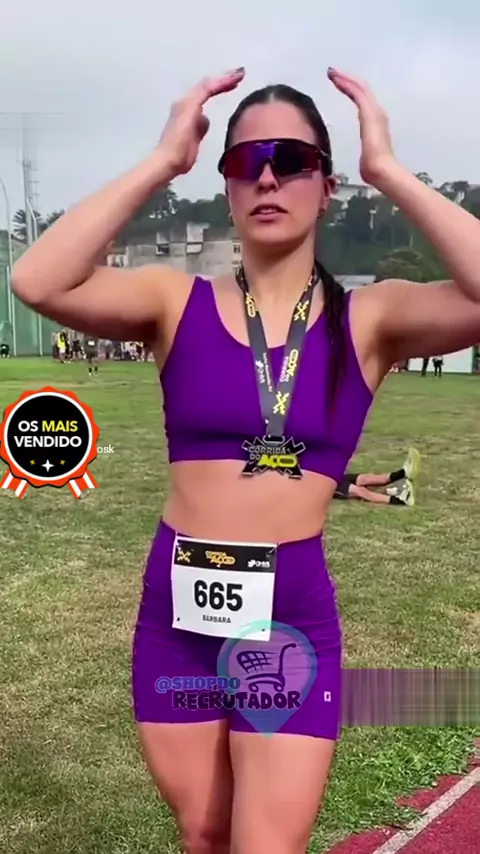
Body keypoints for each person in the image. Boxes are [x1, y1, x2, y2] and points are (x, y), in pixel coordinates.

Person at [10, 66, 480, 854]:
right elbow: (36, 278)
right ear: (226, 185)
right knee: (205, 833)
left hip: (289, 619)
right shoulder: (173, 302)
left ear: (326, 186)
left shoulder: (371, 318)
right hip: (178, 614)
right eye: (245, 161)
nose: (266, 176)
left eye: (291, 160)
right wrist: (164, 160)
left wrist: (388, 171)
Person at [333, 447, 421, 506]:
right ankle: (400, 501)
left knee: (365, 478)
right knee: (360, 491)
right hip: (327, 482)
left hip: (332, 475)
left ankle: (403, 473)